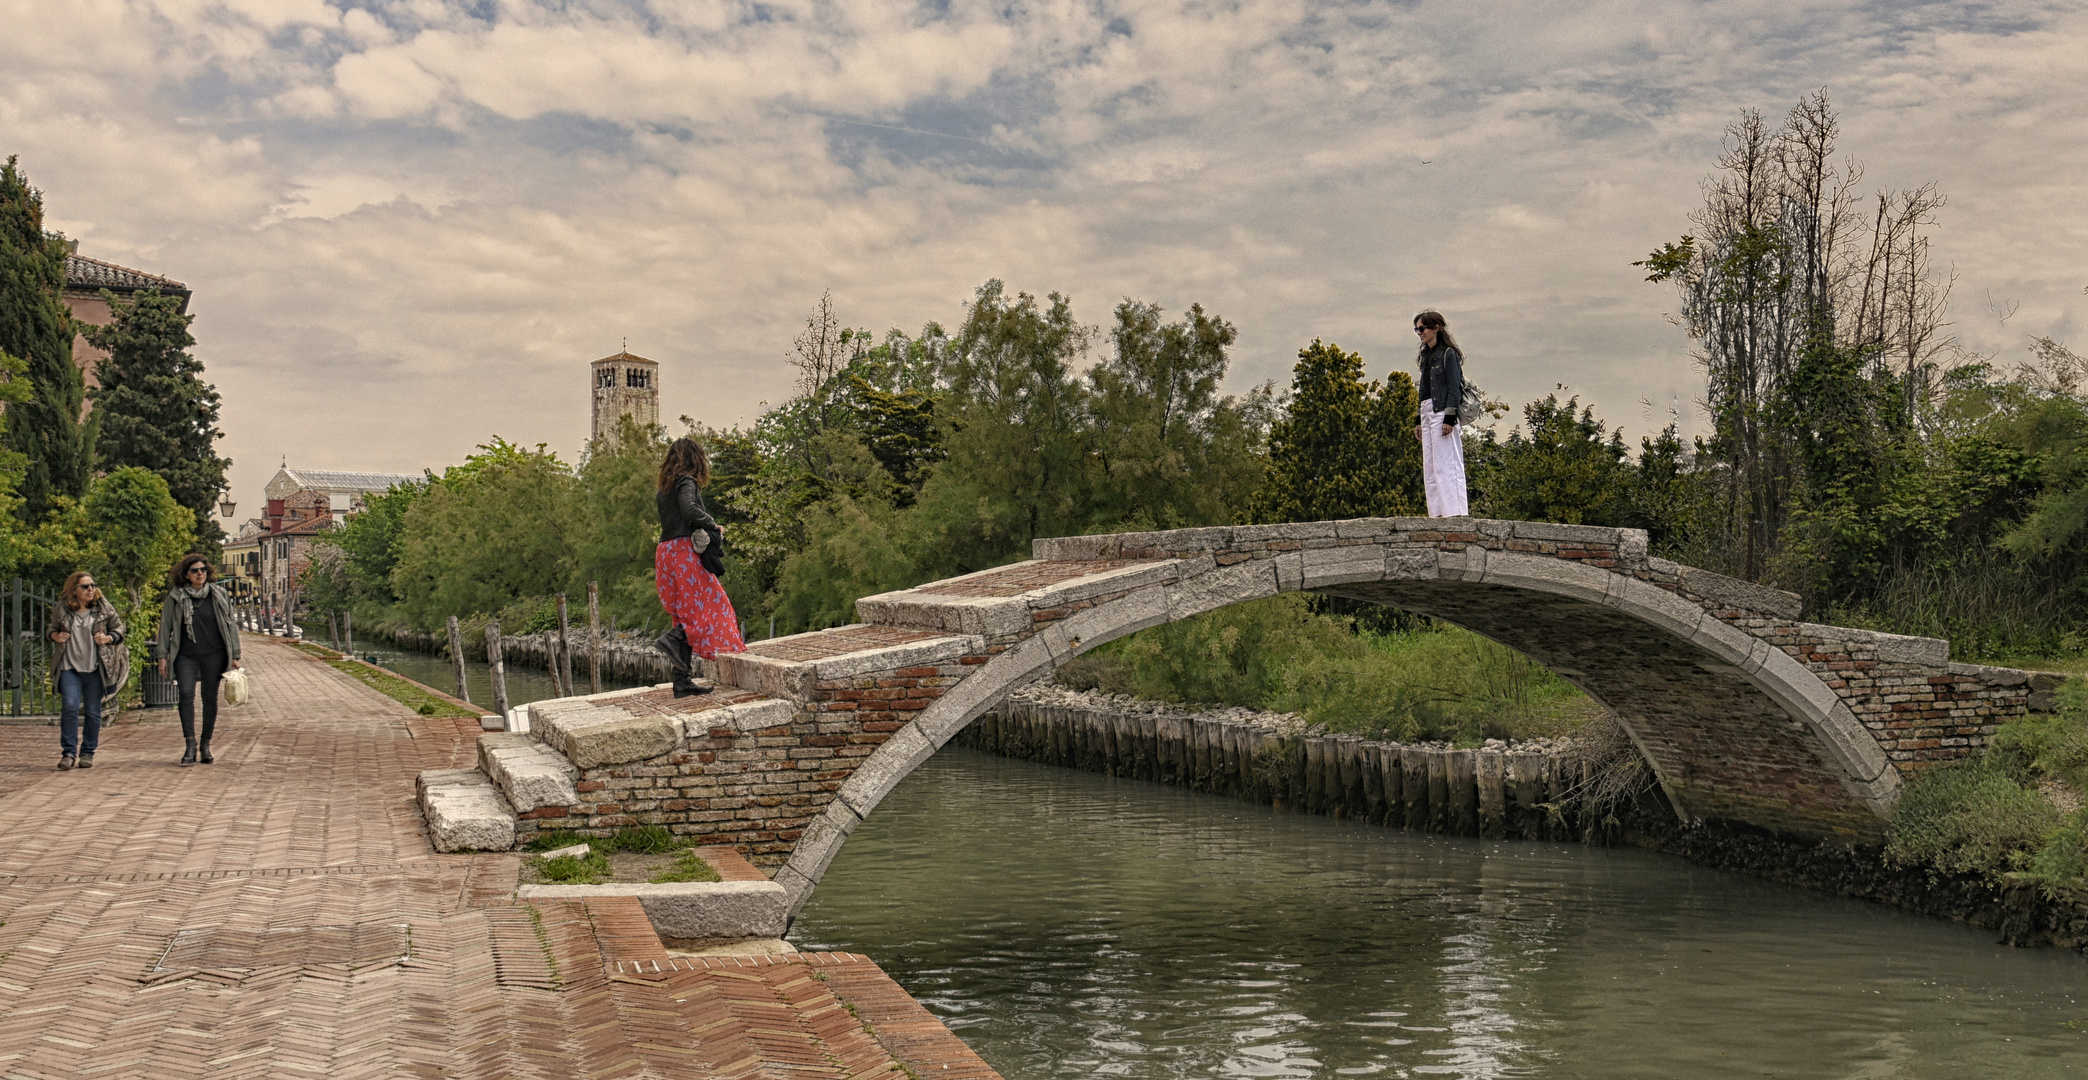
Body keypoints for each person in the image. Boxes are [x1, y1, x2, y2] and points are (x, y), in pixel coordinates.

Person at [653, 437, 745, 696]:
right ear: (696, 459)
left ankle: (682, 681)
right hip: (683, 552)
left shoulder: (664, 489)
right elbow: (689, 508)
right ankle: (671, 641)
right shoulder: (686, 482)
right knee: (714, 604)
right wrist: (712, 524)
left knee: (683, 613)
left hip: (665, 552)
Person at [156, 554, 242, 765]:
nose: (200, 573)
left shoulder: (219, 594)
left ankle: (205, 744)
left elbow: (230, 624)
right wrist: (162, 656)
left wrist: (236, 654)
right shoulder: (176, 597)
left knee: (209, 698)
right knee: (185, 695)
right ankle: (190, 744)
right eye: (194, 570)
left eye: (203, 569)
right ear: (186, 574)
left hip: (214, 653)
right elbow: (165, 626)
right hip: (185, 654)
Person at [47, 571, 127, 770]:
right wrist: (55, 636)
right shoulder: (63, 609)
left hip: (95, 668)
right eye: (85, 586)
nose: (91, 589)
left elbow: (119, 629)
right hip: (69, 667)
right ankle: (68, 753)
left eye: (92, 585)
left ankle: (87, 753)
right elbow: (51, 628)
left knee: (92, 712)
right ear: (74, 590)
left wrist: (108, 638)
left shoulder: (103, 608)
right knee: (70, 707)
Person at [1413, 309, 1471, 517]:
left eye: (1422, 328)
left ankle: (1455, 513)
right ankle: (1436, 514)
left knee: (1448, 464)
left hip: (1442, 411)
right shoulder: (1427, 356)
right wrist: (1419, 419)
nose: (1420, 333)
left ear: (1436, 327)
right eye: (1417, 329)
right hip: (1428, 411)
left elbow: (1454, 388)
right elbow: (1423, 390)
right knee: (1431, 467)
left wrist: (1449, 417)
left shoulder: (1448, 354)